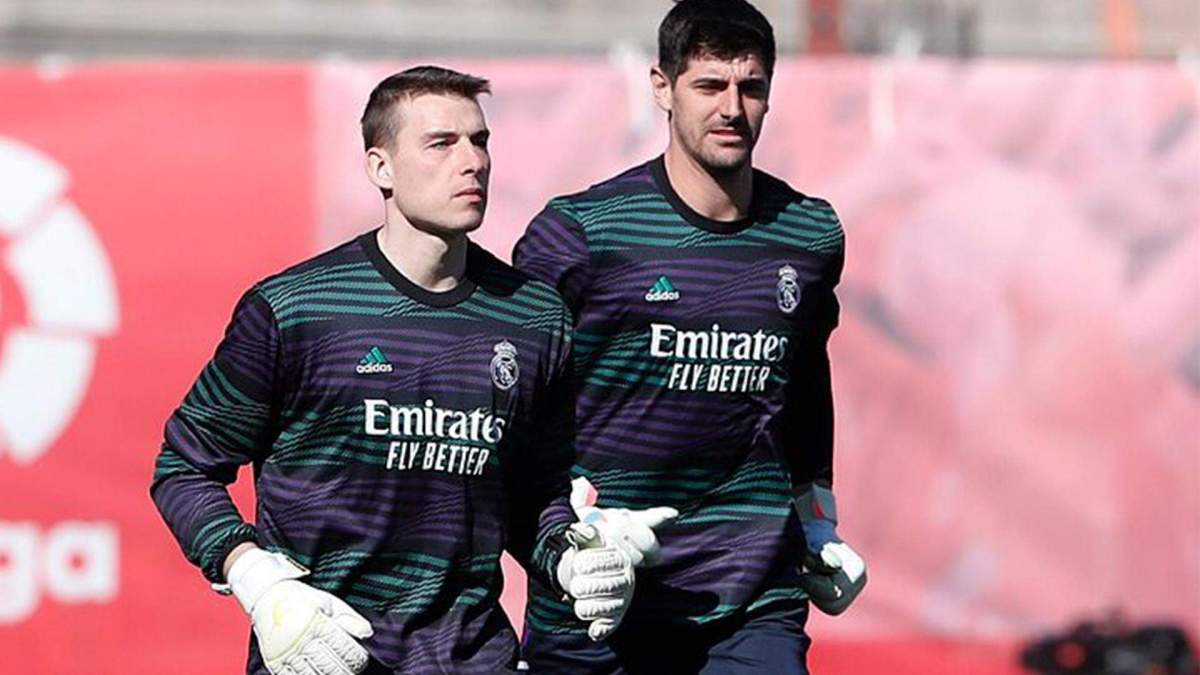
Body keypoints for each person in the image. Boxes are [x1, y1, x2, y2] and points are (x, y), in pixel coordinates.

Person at [150, 65, 636, 675]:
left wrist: (569, 557)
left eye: (479, 141)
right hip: (326, 657)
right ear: (380, 167)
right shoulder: (297, 310)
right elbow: (184, 467)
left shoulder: (535, 317)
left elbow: (535, 491)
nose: (473, 162)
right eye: (442, 143)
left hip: (473, 656)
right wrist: (258, 582)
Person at [513, 1, 866, 672]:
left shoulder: (809, 234)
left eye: (752, 86)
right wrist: (562, 531)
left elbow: (806, 387)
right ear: (661, 87)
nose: (732, 107)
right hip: (598, 594)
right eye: (709, 85)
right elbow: (510, 409)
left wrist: (817, 514)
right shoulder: (580, 235)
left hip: (750, 592)